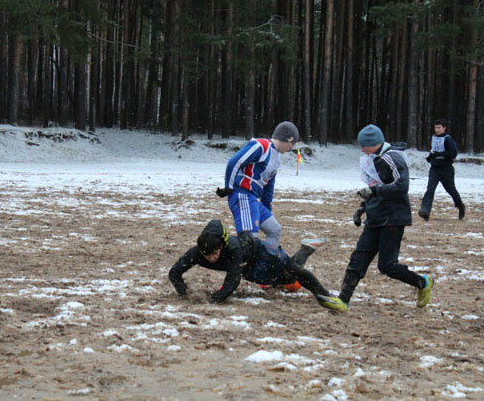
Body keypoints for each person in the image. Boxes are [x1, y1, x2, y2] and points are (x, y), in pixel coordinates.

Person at [317, 125, 434, 312]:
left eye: (365, 146)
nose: (362, 149)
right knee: (357, 259)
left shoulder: (393, 158)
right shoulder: (372, 159)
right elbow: (376, 189)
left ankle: (422, 282)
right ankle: (342, 300)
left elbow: (402, 186)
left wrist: (374, 191)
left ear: (375, 143)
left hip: (393, 218)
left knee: (387, 266)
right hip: (375, 217)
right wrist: (362, 208)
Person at [168, 219, 331, 304]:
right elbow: (174, 273)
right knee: (286, 279)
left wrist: (212, 300)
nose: (211, 259)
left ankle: (307, 249)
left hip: (262, 253)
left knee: (291, 277)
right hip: (247, 266)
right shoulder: (196, 253)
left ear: (222, 247)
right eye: (206, 255)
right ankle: (306, 248)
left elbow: (232, 282)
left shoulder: (233, 250)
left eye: (215, 254)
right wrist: (185, 293)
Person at [216, 121, 299, 249]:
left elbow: (268, 187)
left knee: (274, 230)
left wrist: (266, 210)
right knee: (249, 241)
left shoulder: (277, 158)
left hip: (253, 200)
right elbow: (235, 162)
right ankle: (247, 266)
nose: (291, 148)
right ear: (287, 139)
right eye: (292, 144)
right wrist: (229, 186)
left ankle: (266, 262)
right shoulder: (261, 146)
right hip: (242, 196)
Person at [418, 119, 465, 221]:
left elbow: (453, 154)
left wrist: (440, 154)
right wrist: (430, 157)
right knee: (430, 189)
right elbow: (434, 150)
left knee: (451, 190)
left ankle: (461, 206)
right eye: (435, 128)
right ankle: (425, 211)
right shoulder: (434, 137)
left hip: (446, 169)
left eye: (439, 128)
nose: (437, 130)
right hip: (435, 168)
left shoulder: (448, 139)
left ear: (444, 128)